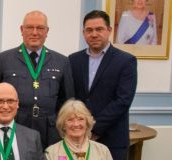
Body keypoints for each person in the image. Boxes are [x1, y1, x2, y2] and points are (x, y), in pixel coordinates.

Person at [0, 10, 74, 149]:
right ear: (22, 30)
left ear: (47, 31)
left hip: (50, 132)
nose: (35, 32)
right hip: (15, 127)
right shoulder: (3, 59)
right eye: (30, 27)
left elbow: (68, 99)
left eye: (40, 28)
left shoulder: (61, 61)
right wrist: (4, 116)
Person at [69, 10, 138, 160]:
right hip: (77, 138)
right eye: (89, 30)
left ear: (109, 30)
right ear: (84, 33)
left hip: (112, 140)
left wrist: (94, 128)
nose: (94, 34)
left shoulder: (126, 61)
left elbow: (123, 100)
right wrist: (79, 128)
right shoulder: (73, 60)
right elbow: (70, 97)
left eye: (99, 29)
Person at [45, 99, 113, 160]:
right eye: (70, 120)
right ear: (63, 125)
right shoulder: (51, 152)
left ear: (87, 123)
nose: (76, 124)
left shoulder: (102, 150)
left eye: (81, 119)